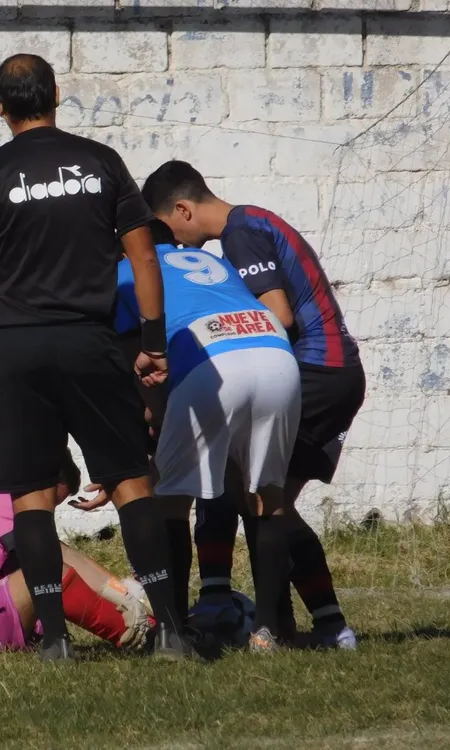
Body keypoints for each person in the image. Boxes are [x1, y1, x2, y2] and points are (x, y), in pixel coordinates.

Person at [0, 53, 195, 661]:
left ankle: (53, 641)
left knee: (31, 497)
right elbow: (143, 258)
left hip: (17, 350)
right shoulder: (101, 162)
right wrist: (153, 343)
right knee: (133, 484)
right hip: (90, 342)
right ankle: (173, 634)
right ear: (56, 94)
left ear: (0, 107)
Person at [141, 161, 361, 649]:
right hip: (317, 369)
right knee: (258, 495)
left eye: (170, 227)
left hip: (314, 369)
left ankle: (311, 623)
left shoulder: (239, 232)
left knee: (259, 498)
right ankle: (278, 621)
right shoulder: (247, 227)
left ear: (183, 209)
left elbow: (279, 315)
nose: (173, 243)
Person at [76, 219, 302, 651]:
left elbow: (134, 360)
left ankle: (175, 627)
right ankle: (269, 631)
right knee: (265, 499)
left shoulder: (128, 270)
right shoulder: (210, 259)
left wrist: (148, 431)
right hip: (274, 349)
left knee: (171, 503)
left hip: (210, 363)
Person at [0, 451, 154, 656]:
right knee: (45, 570)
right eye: (51, 500)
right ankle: (139, 637)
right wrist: (123, 595)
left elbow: (59, 553)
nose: (46, 511)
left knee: (46, 561)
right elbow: (50, 559)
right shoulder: (10, 495)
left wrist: (126, 594)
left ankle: (147, 627)